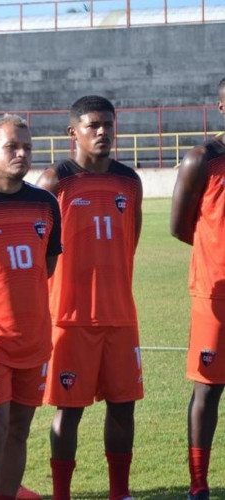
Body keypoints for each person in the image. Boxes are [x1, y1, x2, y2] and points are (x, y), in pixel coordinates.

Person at [37, 95, 143, 500]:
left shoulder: (128, 181)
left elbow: (129, 242)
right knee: (69, 411)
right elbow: (42, 249)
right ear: (73, 132)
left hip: (119, 316)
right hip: (69, 317)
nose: (103, 132)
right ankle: (62, 493)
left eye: (109, 125)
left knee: (123, 407)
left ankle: (121, 493)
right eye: (93, 125)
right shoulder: (55, 181)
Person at [0, 115, 61, 500]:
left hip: (33, 340)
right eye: (11, 147)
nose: (21, 154)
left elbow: (46, 267)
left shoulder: (45, 202)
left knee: (19, 428)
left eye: (27, 147)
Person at [170, 77, 225, 500]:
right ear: (221, 108)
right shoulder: (203, 159)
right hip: (215, 293)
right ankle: (198, 485)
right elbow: (179, 226)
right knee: (208, 388)